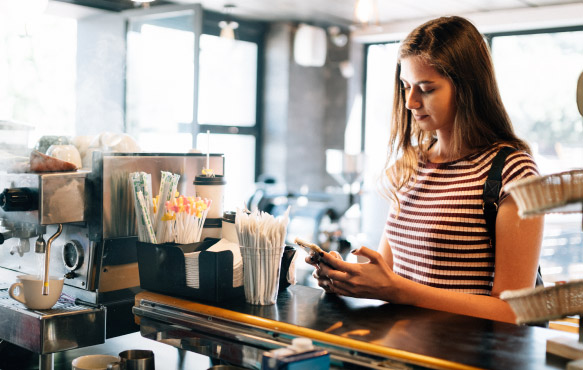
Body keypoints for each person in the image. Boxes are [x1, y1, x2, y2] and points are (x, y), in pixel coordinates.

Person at [307, 16, 544, 324]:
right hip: (400, 350)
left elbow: (514, 311)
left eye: (426, 88)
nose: (410, 102)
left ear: (468, 88)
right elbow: (389, 276)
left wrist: (401, 291)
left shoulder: (514, 172)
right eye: (406, 86)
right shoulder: (411, 165)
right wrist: (348, 278)